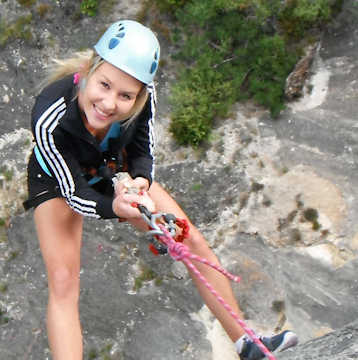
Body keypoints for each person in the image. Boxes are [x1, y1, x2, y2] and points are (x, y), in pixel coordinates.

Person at [23, 19, 298, 360]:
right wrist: (115, 207)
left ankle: (247, 343)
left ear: (138, 94)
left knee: (188, 237)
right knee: (64, 281)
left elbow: (142, 150)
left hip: (113, 163)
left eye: (125, 96)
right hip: (58, 177)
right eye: (104, 85)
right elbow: (75, 191)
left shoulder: (143, 96)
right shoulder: (50, 116)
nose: (110, 103)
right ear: (88, 70)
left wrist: (141, 182)